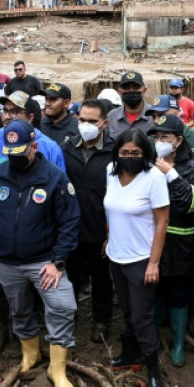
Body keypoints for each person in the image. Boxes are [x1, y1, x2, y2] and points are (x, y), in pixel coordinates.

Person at [0, 120, 80, 387]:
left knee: (62, 307)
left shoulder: (54, 177)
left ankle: (58, 369)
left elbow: (70, 221)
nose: (16, 158)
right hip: (7, 261)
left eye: (21, 152)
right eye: (10, 153)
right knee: (19, 309)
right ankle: (30, 355)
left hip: (44, 261)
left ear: (34, 145)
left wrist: (58, 261)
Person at [105, 128, 170, 387]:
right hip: (116, 255)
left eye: (135, 153)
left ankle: (154, 370)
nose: (129, 157)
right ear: (117, 153)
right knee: (127, 310)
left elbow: (162, 222)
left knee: (142, 317)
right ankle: (130, 355)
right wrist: (109, 237)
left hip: (141, 259)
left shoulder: (153, 177)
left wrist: (154, 263)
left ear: (145, 154)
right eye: (124, 152)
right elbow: (112, 210)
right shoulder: (110, 171)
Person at [148, 115, 194, 368]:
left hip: (181, 243)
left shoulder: (193, 169)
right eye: (156, 137)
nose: (159, 142)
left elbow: (192, 204)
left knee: (178, 292)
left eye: (165, 137)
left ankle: (178, 344)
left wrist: (172, 175)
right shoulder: (148, 165)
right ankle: (152, 339)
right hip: (151, 241)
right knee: (155, 288)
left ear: (179, 140)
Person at [63, 99, 115, 343]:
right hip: (71, 227)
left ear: (104, 123)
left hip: (100, 226)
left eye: (92, 121)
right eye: (82, 120)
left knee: (101, 277)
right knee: (70, 276)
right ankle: (69, 318)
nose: (85, 125)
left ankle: (101, 321)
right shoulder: (67, 148)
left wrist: (111, 232)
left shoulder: (114, 151)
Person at [0, 91, 66, 173]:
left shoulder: (50, 148)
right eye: (5, 111)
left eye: (14, 112)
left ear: (30, 118)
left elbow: (59, 182)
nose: (6, 117)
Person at [108, 71, 155, 139]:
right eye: (126, 87)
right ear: (119, 91)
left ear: (144, 90)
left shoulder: (155, 115)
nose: (131, 91)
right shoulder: (111, 116)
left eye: (136, 87)